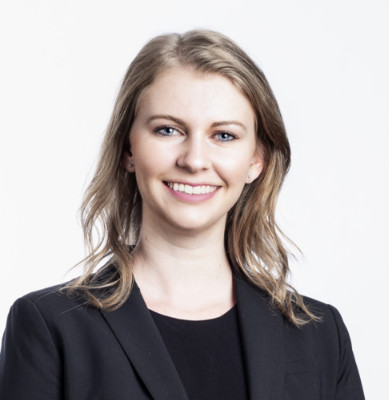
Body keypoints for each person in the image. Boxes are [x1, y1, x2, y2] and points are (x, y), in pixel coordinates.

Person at [0, 30, 364, 400]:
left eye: (224, 135)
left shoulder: (320, 337)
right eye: (168, 130)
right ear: (128, 148)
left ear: (257, 160)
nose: (194, 160)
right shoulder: (50, 328)